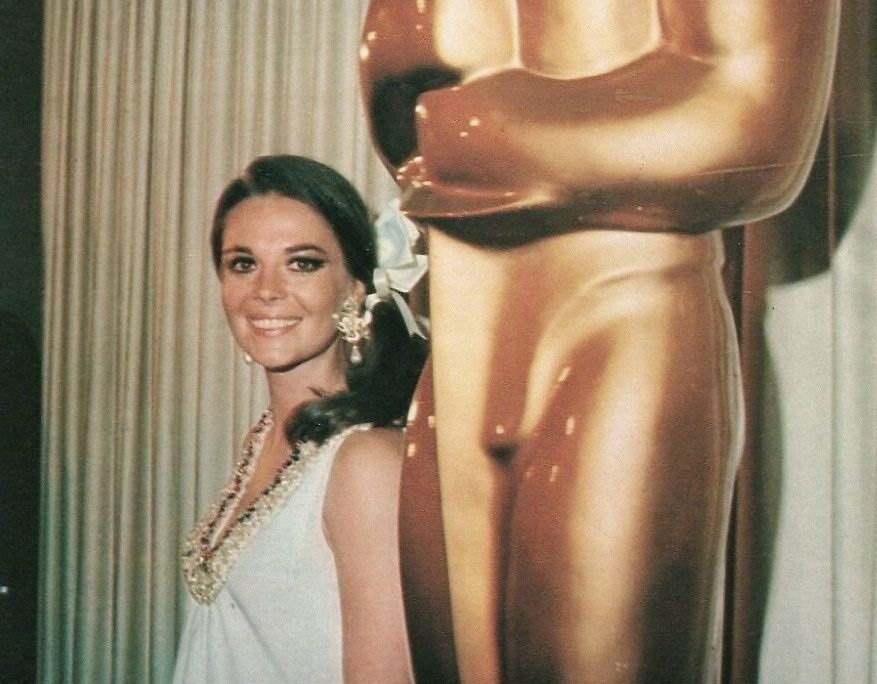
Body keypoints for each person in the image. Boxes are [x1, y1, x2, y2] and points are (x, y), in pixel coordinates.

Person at [360, 1, 839, 682]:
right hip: (465, 333)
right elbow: (405, 124)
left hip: (624, 309)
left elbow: (755, 126)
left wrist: (481, 130)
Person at [172, 155, 427, 683]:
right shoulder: (266, 437)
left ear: (354, 288)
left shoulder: (365, 462)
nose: (266, 290)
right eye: (243, 264)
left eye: (302, 263)